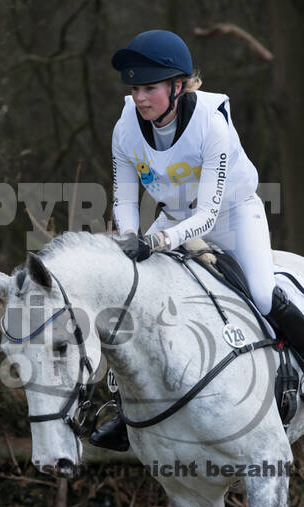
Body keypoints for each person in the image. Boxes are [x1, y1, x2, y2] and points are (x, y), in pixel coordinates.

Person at [90, 29, 304, 452]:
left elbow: (207, 214)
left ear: (178, 86)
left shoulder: (212, 123)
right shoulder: (125, 129)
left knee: (262, 294)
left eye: (149, 88)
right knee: (128, 299)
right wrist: (132, 238)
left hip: (233, 215)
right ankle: (122, 409)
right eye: (135, 88)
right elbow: (125, 199)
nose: (139, 98)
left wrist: (156, 243)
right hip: (171, 219)